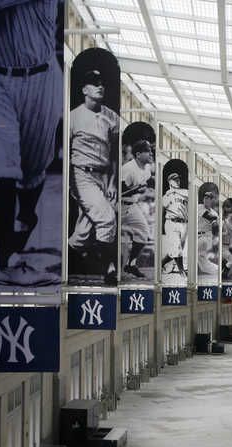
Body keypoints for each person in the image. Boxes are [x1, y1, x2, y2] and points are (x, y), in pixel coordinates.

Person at [0, 0, 62, 286]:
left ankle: (26, 218)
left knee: (36, 165)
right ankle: (8, 260)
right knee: (0, 157)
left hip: (42, 78)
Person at [68, 69, 119, 286]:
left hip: (103, 175)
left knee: (83, 232)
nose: (100, 86)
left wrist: (113, 181)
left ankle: (68, 257)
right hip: (81, 175)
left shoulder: (111, 116)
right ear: (84, 89)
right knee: (106, 217)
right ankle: (108, 269)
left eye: (101, 82)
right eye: (94, 83)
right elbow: (62, 150)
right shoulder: (74, 116)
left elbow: (115, 152)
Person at [121, 139, 154, 279]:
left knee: (143, 232)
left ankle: (131, 264)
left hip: (131, 206)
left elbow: (141, 189)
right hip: (117, 205)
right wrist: (136, 189)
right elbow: (119, 192)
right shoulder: (128, 168)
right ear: (138, 154)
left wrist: (142, 190)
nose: (151, 153)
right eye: (148, 151)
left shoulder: (146, 169)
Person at [161, 172, 188, 279]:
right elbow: (162, 209)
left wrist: (174, 190)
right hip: (171, 222)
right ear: (170, 181)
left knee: (176, 250)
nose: (178, 181)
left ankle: (161, 263)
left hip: (184, 223)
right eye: (175, 179)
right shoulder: (166, 196)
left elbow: (189, 194)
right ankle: (182, 272)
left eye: (178, 179)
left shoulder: (184, 192)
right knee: (177, 248)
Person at [198, 191, 219, 276]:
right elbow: (208, 216)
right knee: (203, 265)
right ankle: (218, 270)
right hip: (196, 235)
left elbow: (216, 227)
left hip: (205, 237)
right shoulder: (199, 207)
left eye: (208, 198)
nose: (206, 199)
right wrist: (214, 220)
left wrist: (215, 240)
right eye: (205, 197)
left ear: (211, 200)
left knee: (192, 253)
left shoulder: (215, 213)